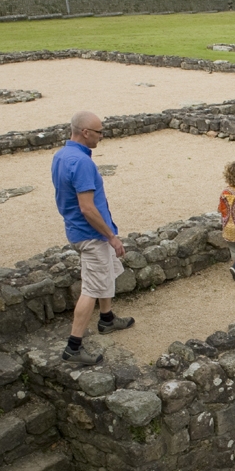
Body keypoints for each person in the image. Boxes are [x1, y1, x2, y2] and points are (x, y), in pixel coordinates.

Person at [51, 110, 135, 366]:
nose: (101, 136)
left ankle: (107, 319)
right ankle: (73, 347)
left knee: (105, 272)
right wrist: (111, 236)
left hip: (78, 230)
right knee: (91, 288)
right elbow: (87, 207)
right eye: (99, 132)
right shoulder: (83, 162)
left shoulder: (61, 155)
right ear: (85, 132)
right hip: (91, 234)